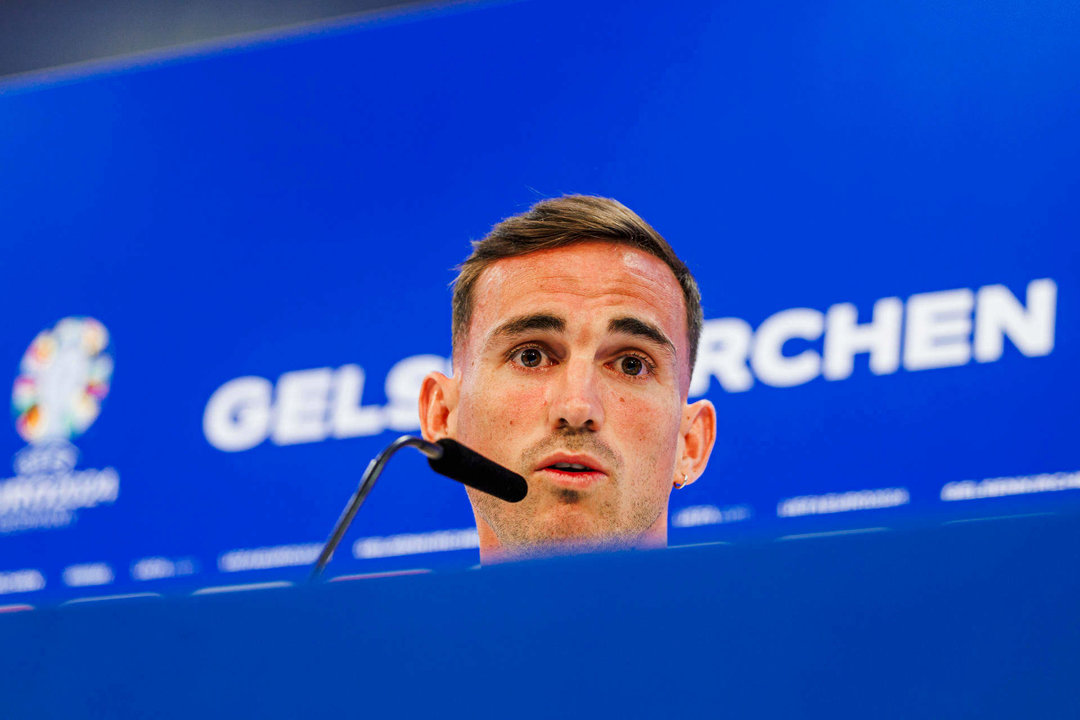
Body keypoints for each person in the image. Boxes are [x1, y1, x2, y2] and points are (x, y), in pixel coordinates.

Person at [419, 195, 717, 562]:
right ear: (443, 417)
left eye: (630, 365)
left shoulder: (790, 621)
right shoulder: (351, 621)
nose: (577, 407)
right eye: (531, 357)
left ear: (690, 444)